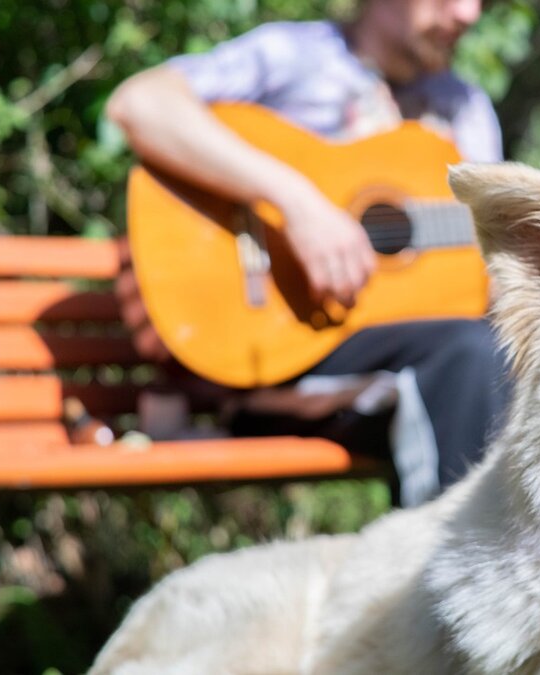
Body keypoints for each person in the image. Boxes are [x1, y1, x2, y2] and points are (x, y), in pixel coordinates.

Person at [105, 0, 508, 506]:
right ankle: (454, 577)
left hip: (416, 360)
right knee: (466, 357)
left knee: (492, 356)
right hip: (276, 363)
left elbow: (494, 273)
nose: (469, 13)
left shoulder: (464, 108)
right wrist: (294, 202)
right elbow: (140, 104)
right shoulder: (294, 56)